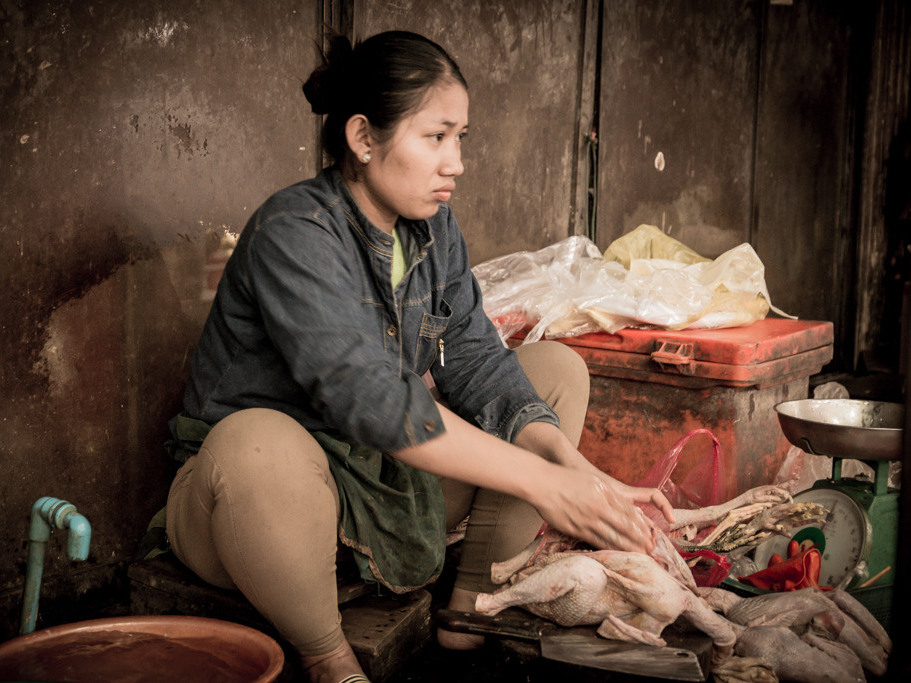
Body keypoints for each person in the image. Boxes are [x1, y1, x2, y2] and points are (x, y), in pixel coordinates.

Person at [164, 30, 675, 683]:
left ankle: (469, 616)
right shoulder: (294, 233)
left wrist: (576, 472)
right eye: (436, 137)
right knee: (256, 442)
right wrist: (543, 484)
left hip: (372, 482)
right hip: (250, 506)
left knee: (554, 373)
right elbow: (374, 402)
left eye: (460, 138)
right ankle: (329, 659)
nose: (455, 161)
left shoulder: (433, 231)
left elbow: (478, 360)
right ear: (363, 138)